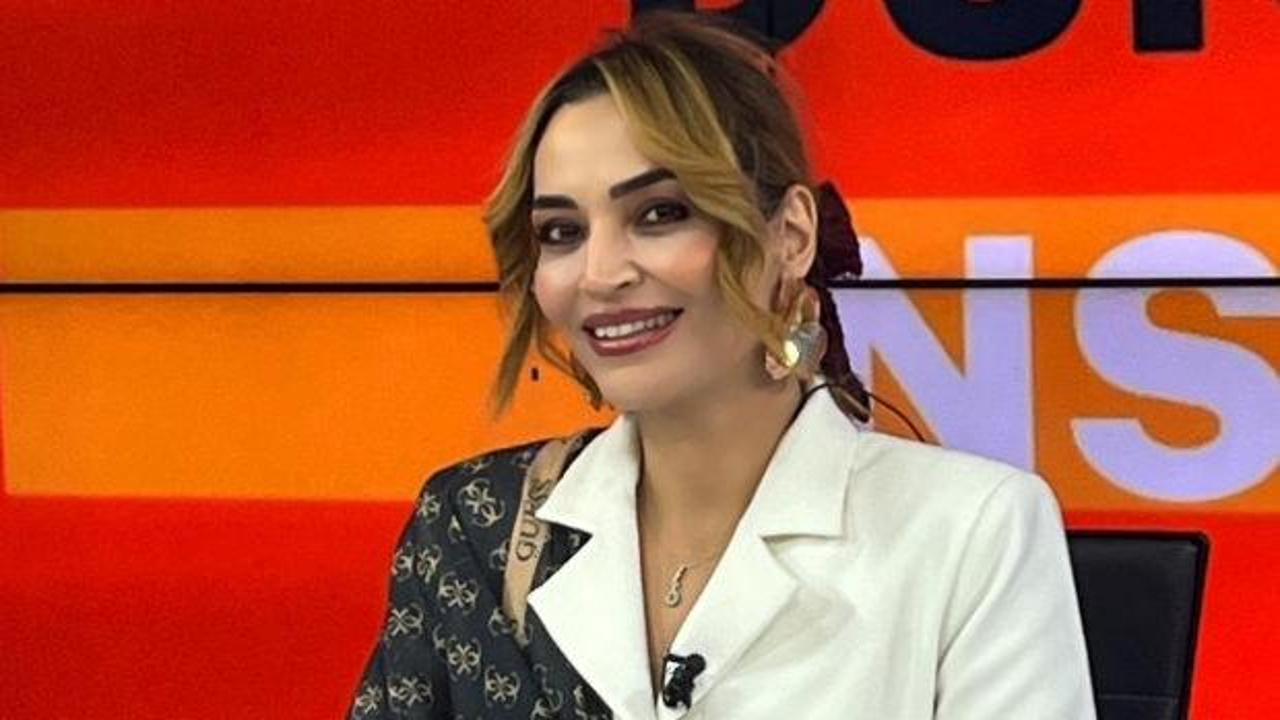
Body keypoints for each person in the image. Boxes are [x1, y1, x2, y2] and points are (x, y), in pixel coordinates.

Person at [349, 10, 1095, 720]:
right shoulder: (473, 523)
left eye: (659, 214)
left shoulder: (972, 530)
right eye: (561, 231)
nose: (599, 274)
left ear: (791, 235)